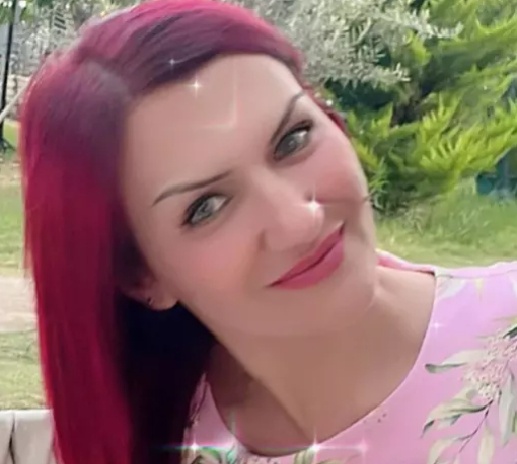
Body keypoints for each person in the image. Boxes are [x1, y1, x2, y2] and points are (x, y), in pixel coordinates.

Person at [18, 1, 517, 464]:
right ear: (141, 276)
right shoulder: (154, 438)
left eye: (293, 139)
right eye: (207, 207)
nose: (299, 220)